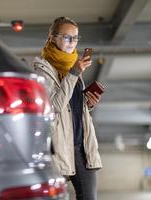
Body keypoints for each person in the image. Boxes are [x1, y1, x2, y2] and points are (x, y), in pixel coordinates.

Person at [33, 16, 102, 200]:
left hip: (82, 147)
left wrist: (88, 104)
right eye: (67, 37)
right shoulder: (43, 69)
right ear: (52, 37)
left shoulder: (74, 67)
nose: (72, 42)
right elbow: (54, 107)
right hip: (58, 147)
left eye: (76, 37)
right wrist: (74, 74)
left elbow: (72, 106)